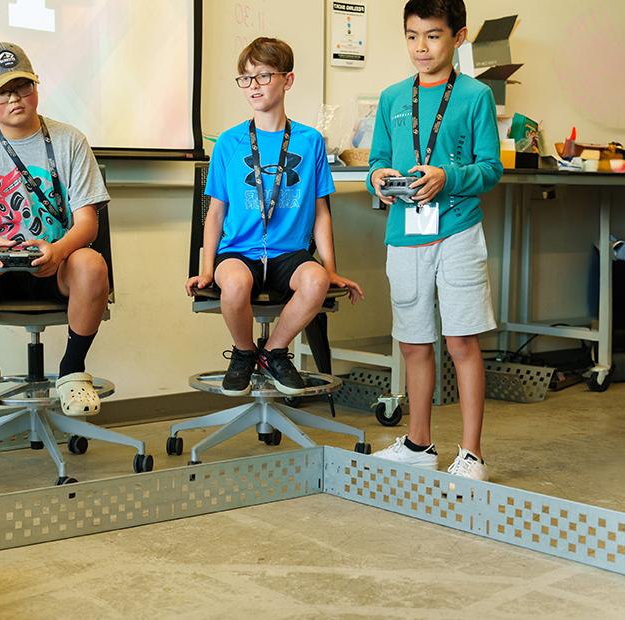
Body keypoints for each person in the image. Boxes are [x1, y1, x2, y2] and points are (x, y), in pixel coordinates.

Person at [0, 42, 112, 429]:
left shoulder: (69, 141)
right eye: (2, 92)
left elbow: (87, 224)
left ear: (36, 88)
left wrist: (59, 250)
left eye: (23, 87)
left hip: (55, 269)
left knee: (93, 263)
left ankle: (72, 370)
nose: (15, 99)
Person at [366, 0, 503, 480]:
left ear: (458, 37)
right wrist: (379, 178)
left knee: (460, 338)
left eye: (432, 36)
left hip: (458, 228)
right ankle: (419, 443)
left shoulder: (474, 96)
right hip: (405, 232)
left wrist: (448, 176)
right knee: (412, 341)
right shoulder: (390, 99)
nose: (420, 47)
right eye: (411, 36)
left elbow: (491, 169)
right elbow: (376, 162)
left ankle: (471, 454)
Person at [185, 37, 364, 398]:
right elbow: (215, 212)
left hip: (289, 254)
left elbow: (320, 211)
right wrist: (207, 269)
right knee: (233, 284)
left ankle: (274, 351)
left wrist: (329, 268)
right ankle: (244, 351)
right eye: (246, 78)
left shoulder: (310, 141)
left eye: (264, 76)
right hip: (239, 251)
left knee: (314, 282)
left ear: (288, 80)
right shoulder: (229, 142)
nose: (253, 86)